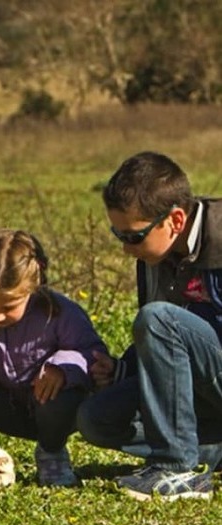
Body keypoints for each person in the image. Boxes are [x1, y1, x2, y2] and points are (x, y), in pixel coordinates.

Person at [76, 151, 222, 501]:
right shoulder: (155, 253)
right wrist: (122, 369)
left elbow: (165, 323)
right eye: (118, 235)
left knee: (158, 318)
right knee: (96, 418)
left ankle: (177, 469)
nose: (126, 249)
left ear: (175, 220)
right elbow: (169, 342)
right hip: (203, 388)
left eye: (133, 236)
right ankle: (209, 450)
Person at [0, 229, 108, 487]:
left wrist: (62, 368)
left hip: (52, 409)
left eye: (9, 306)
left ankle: (51, 453)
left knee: (63, 395)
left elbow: (91, 353)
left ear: (33, 288)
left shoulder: (60, 312)